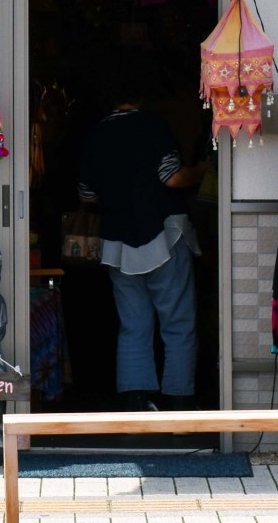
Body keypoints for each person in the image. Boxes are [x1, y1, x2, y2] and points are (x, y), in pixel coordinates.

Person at [78, 85, 203, 411]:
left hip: (118, 242)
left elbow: (86, 195)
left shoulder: (96, 134)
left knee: (133, 325)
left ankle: (135, 404)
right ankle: (179, 403)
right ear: (142, 97)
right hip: (164, 234)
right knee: (178, 324)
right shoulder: (154, 125)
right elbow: (171, 177)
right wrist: (200, 173)